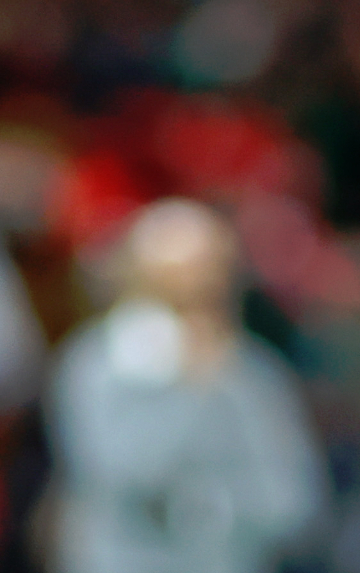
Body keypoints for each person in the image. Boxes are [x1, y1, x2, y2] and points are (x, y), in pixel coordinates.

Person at [45, 199, 329, 573]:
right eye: (175, 282)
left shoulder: (254, 375)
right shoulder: (96, 365)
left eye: (208, 277)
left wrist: (219, 511)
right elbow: (114, 475)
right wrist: (192, 387)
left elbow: (293, 501)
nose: (198, 295)